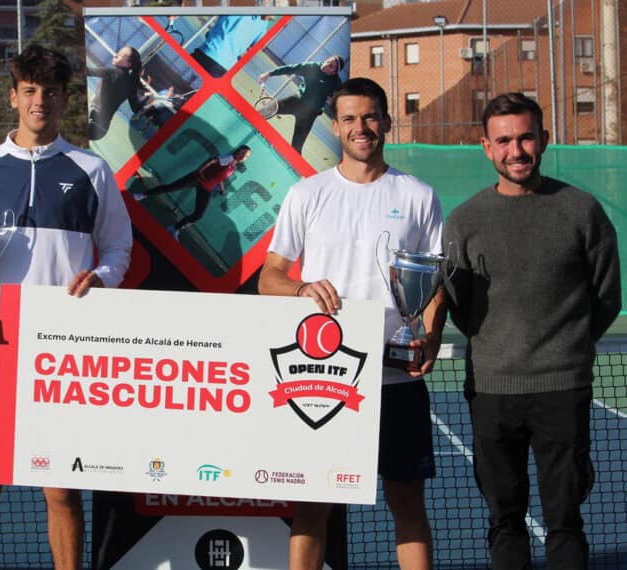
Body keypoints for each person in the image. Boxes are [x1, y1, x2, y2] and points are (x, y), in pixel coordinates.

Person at [0, 44, 132, 570]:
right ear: (13, 97)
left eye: (49, 92)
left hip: (61, 359)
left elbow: (117, 247)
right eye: (29, 91)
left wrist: (104, 276)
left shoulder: (91, 169)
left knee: (62, 492)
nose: (39, 101)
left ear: (65, 98)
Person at [258, 77, 445, 570]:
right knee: (314, 505)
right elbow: (269, 277)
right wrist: (300, 289)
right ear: (335, 126)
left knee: (407, 505)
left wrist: (430, 333)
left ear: (385, 121)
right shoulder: (308, 194)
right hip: (323, 380)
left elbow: (436, 282)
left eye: (369, 117)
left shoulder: (420, 195)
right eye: (349, 119)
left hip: (396, 378)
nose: (361, 128)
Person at [443, 92, 621, 570]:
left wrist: (566, 345)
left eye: (525, 137)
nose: (516, 150)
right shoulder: (464, 221)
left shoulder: (582, 211)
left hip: (562, 389)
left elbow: (606, 297)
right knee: (505, 521)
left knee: (565, 522)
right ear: (486, 146)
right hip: (492, 392)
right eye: (504, 141)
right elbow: (460, 308)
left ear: (543, 139)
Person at [132, 145, 251, 240]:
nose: (243, 156)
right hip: (197, 179)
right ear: (238, 151)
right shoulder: (229, 158)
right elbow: (212, 160)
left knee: (198, 214)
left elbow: (219, 178)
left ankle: (174, 228)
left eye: (246, 156)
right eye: (242, 153)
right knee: (170, 187)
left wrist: (222, 190)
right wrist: (200, 170)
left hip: (206, 188)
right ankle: (141, 195)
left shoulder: (233, 167)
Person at [258, 56, 345, 155]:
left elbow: (339, 105)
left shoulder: (336, 84)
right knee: (265, 111)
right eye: (327, 61)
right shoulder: (312, 67)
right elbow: (291, 68)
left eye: (330, 66)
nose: (326, 65)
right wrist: (269, 74)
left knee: (296, 149)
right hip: (296, 102)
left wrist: (332, 103)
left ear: (334, 72)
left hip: (309, 115)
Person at [87, 45, 146, 141]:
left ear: (128, 64)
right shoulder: (131, 84)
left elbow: (86, 71)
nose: (116, 55)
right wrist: (147, 98)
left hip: (91, 122)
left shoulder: (111, 72)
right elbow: (136, 108)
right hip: (101, 131)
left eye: (121, 54)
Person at [190, 15, 274, 78]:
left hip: (208, 51)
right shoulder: (263, 25)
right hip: (224, 66)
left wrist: (212, 34)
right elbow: (254, 48)